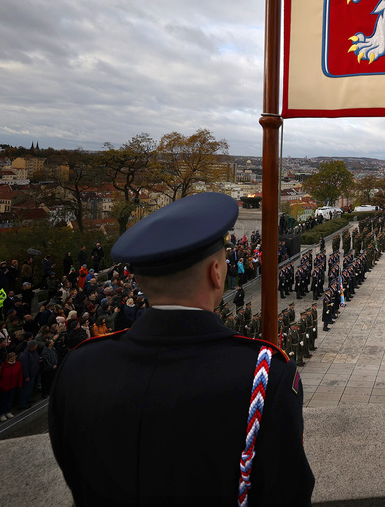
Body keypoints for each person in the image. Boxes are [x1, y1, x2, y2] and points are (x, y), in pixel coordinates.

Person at [49, 192, 314, 505]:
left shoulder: (81, 365)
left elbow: (73, 469)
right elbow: (288, 492)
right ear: (216, 273)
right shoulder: (266, 375)